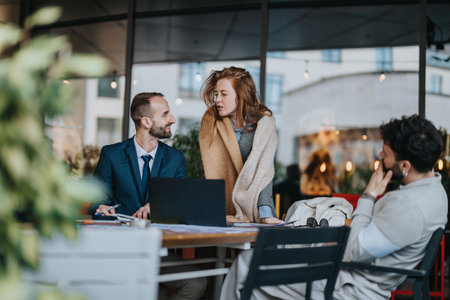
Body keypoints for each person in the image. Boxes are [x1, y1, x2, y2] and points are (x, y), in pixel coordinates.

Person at [220, 114, 447, 300]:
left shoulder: (409, 206)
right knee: (266, 263)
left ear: (405, 165)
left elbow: (355, 253)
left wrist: (368, 196)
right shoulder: (434, 191)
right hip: (352, 275)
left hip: (350, 287)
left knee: (247, 265)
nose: (380, 156)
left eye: (385, 154)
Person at [89, 92, 206, 300]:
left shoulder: (175, 159)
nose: (173, 119)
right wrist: (100, 209)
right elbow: (97, 203)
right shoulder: (111, 154)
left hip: (158, 251)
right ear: (145, 121)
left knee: (197, 282)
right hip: (119, 252)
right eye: (166, 114)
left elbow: (183, 206)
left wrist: (159, 205)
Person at [199, 66, 283, 224]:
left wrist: (265, 213)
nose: (217, 99)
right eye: (216, 94)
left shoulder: (263, 123)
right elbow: (208, 168)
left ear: (241, 95)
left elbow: (264, 171)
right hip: (219, 208)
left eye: (224, 94)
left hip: (256, 209)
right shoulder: (211, 120)